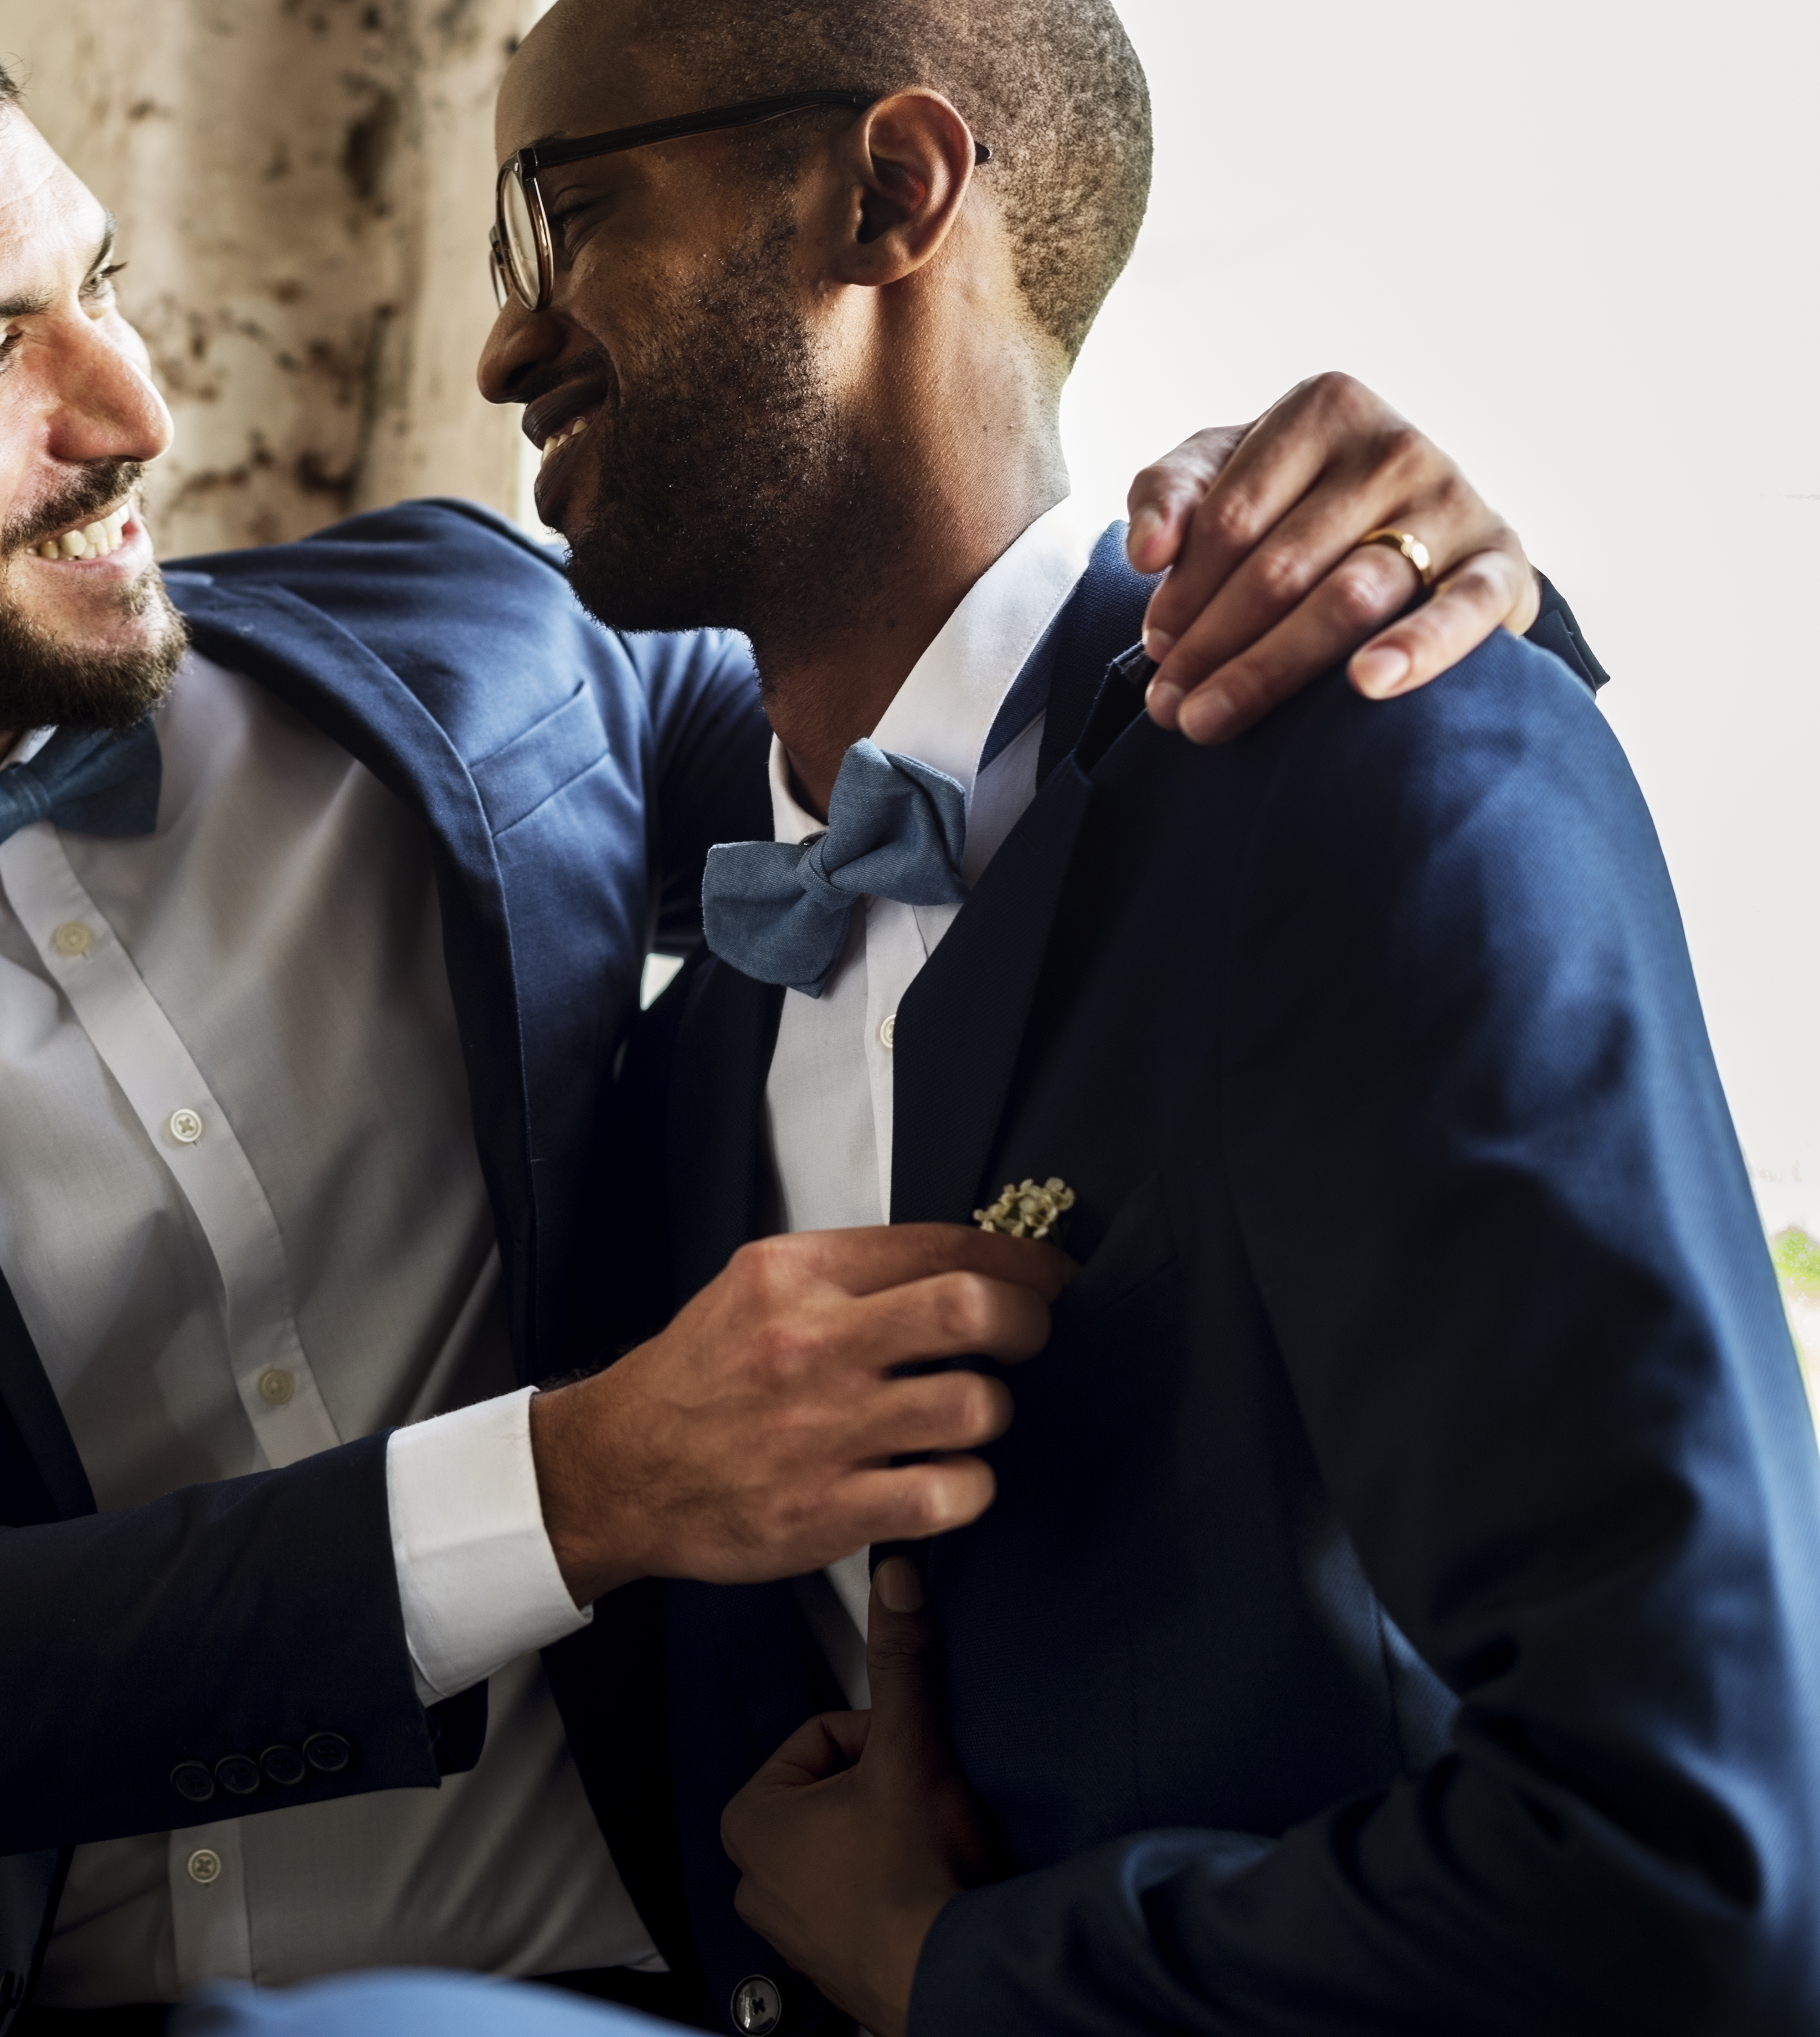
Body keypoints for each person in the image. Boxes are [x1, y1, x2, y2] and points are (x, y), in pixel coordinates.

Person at [0, 1, 1590, 2031]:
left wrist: (1325, 557)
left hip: (669, 1962)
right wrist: (591, 1479)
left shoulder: (479, 645)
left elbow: (992, 725)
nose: (138, 412)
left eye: (105, 289)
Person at [449, 0, 1820, 2031]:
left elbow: (1712, 1866)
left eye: (564, 218)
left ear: (891, 193)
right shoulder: (684, 1053)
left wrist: (960, 1975)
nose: (506, 343)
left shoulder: (1385, 769)